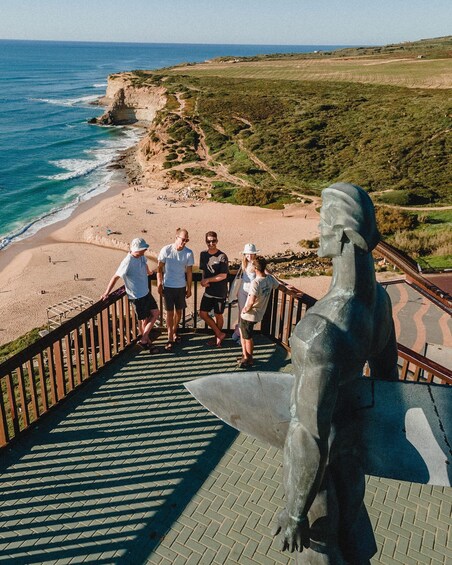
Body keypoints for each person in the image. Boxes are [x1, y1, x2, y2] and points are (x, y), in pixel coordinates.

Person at [272, 183, 399, 564]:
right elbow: (386, 383)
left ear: (343, 233)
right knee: (354, 529)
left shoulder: (318, 334)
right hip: (352, 450)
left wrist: (295, 511)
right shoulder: (378, 305)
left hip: (319, 467)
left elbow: (308, 433)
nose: (319, 229)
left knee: (320, 544)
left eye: (323, 220)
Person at [101, 237, 160, 353]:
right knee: (144, 320)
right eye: (143, 249)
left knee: (155, 313)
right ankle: (148, 343)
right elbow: (115, 277)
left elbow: (145, 265)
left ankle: (144, 340)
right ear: (136, 250)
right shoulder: (127, 261)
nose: (145, 250)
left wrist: (149, 273)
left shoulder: (141, 256)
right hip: (136, 296)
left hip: (145, 292)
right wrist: (106, 293)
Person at [157, 228, 194, 352]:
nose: (184, 242)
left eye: (186, 240)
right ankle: (169, 337)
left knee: (179, 312)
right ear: (176, 237)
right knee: (169, 313)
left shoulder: (189, 253)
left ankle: (174, 331)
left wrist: (189, 288)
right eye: (183, 239)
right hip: (168, 286)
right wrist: (159, 284)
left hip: (180, 286)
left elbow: (189, 272)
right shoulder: (166, 250)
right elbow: (159, 269)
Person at [239, 256, 279, 368]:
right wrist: (292, 291)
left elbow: (251, 300)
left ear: (255, 268)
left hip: (250, 314)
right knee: (245, 334)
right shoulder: (269, 279)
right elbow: (279, 286)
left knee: (247, 337)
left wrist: (245, 308)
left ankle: (249, 358)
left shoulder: (256, 283)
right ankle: (246, 356)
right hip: (259, 312)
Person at [199, 231, 229, 347]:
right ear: (206, 241)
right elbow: (203, 270)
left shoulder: (222, 256)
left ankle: (218, 338)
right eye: (208, 241)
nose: (211, 243)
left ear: (217, 241)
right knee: (203, 313)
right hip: (208, 291)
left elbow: (223, 275)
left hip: (220, 291)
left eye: (213, 241)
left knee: (218, 315)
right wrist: (203, 280)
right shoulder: (203, 254)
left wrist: (208, 280)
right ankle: (219, 333)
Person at [231, 243, 258, 342]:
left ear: (255, 254)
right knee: (241, 313)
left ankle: (244, 335)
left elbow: (268, 274)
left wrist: (281, 283)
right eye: (247, 254)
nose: (249, 256)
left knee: (248, 314)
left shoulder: (257, 264)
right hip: (242, 290)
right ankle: (239, 333)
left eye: (251, 254)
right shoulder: (244, 263)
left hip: (252, 293)